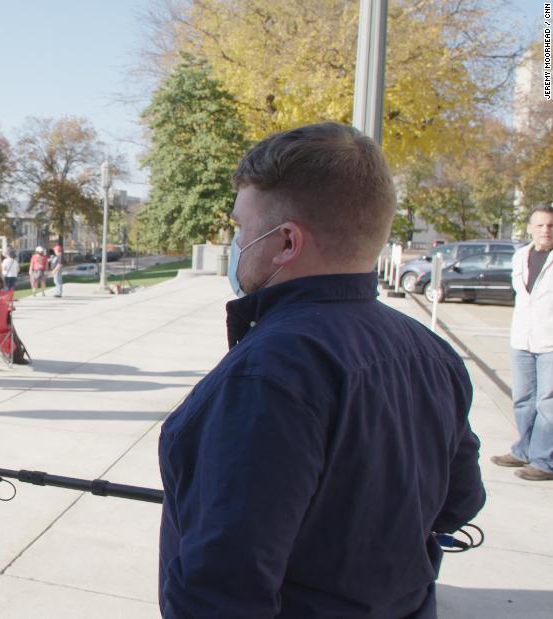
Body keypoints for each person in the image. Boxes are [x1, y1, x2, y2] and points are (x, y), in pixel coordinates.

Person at [158, 122, 485, 617]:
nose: (237, 243)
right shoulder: (432, 352)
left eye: (241, 228)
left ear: (286, 242)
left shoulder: (267, 377)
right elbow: (460, 501)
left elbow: (222, 589)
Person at [492, 205, 553, 481]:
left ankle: (543, 461)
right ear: (531, 228)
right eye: (540, 225)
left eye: (550, 225)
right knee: (523, 399)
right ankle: (523, 450)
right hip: (522, 339)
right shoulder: (520, 257)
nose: (545, 230)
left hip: (550, 342)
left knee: (547, 403)